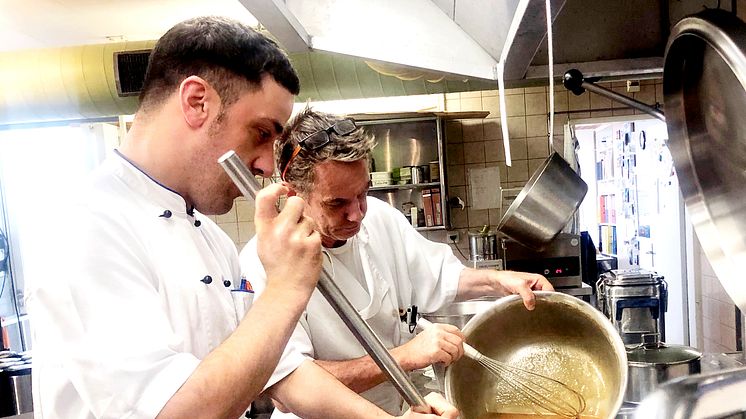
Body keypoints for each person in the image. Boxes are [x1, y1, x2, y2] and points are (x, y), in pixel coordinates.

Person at [26, 17, 457, 419]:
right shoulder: (88, 226)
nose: (267, 165)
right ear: (197, 103)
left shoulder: (210, 240)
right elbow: (171, 411)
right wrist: (287, 287)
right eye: (262, 133)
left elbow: (283, 374)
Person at [239, 107, 555, 417]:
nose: (357, 213)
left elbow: (440, 275)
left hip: (402, 406)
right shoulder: (263, 263)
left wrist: (500, 281)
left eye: (362, 193)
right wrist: (405, 356)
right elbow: (288, 387)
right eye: (337, 203)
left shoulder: (380, 218)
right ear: (294, 193)